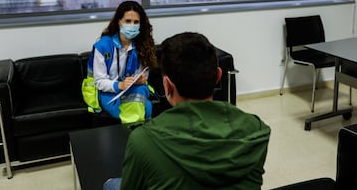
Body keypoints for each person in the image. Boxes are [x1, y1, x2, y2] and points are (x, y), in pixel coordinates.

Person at [104, 32, 271, 189]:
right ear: (218, 76)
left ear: (167, 85)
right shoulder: (256, 128)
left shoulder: (143, 141)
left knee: (111, 184)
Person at [89, 0, 157, 124]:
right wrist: (120, 85)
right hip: (109, 93)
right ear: (119, 22)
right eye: (128, 21)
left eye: (136, 22)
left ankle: (138, 134)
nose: (132, 25)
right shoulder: (102, 46)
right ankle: (140, 136)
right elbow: (99, 82)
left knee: (142, 97)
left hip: (134, 89)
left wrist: (141, 79)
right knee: (145, 107)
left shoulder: (143, 45)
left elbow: (144, 74)